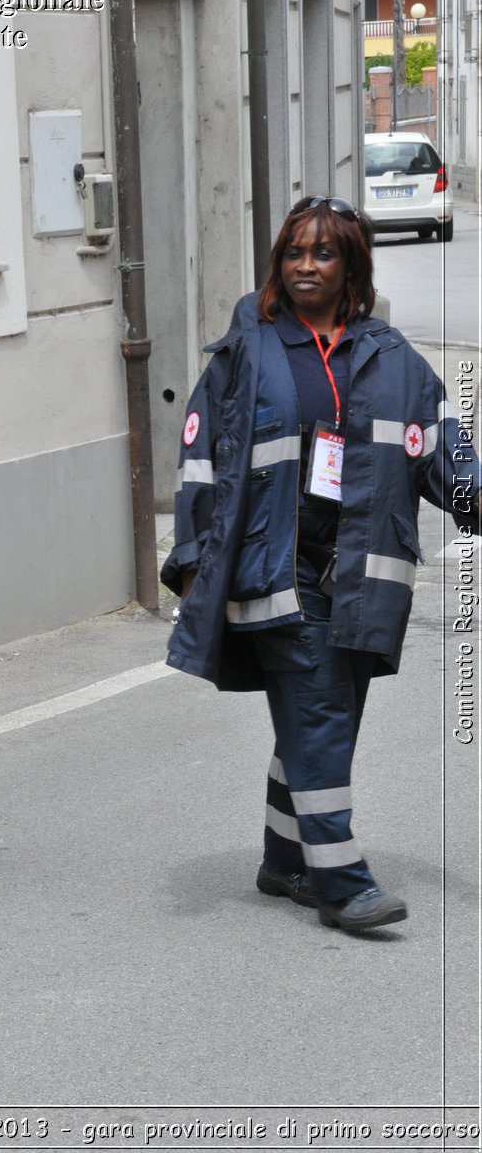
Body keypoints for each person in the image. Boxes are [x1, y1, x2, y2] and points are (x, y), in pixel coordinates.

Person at [161, 195, 480, 933]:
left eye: (324, 253)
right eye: (295, 252)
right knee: (322, 709)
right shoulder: (247, 352)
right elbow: (199, 461)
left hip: (363, 573)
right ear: (279, 263)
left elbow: (443, 450)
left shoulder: (394, 359)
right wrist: (189, 560)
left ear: (351, 267)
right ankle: (339, 878)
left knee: (323, 720)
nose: (307, 265)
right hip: (273, 566)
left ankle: (283, 857)